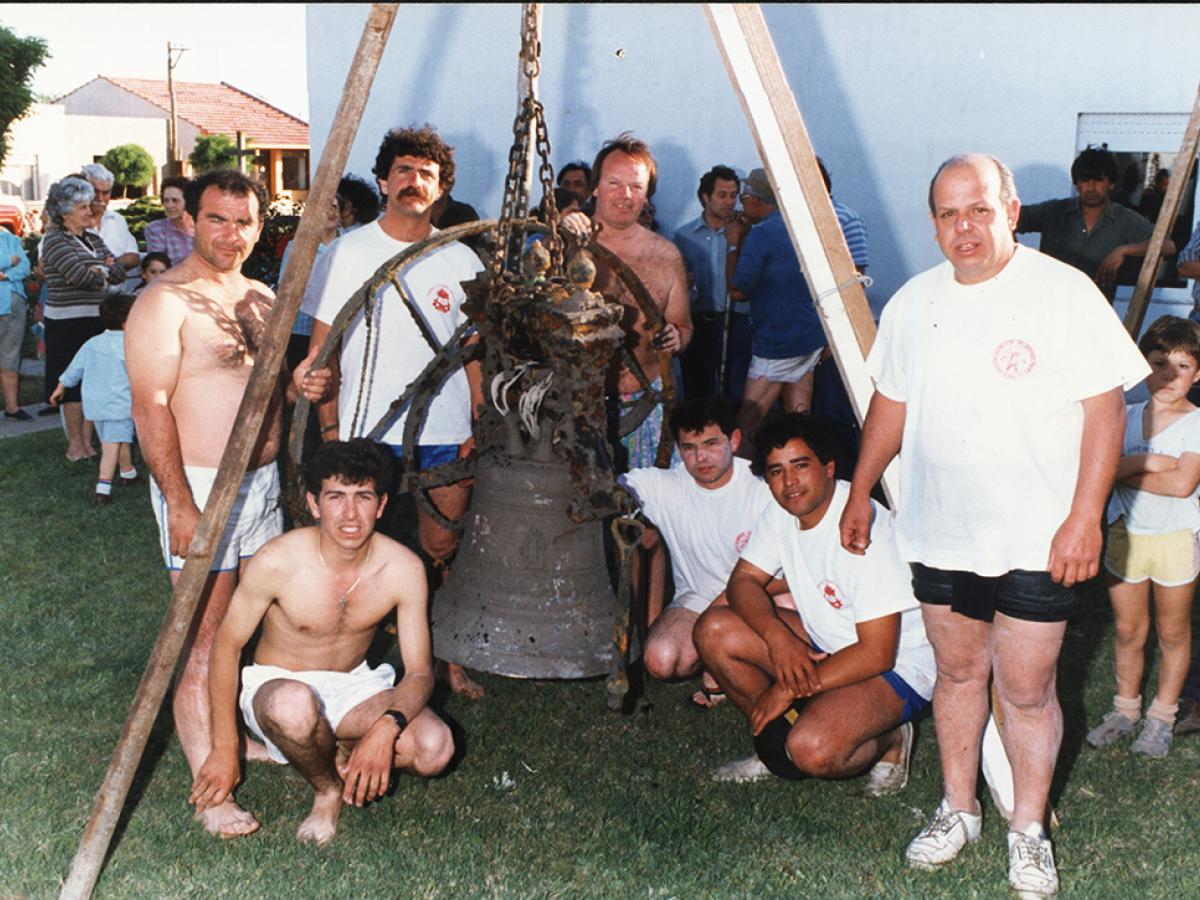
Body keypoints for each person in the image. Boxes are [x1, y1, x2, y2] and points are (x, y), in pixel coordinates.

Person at [840, 154, 1149, 897]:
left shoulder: (1064, 293)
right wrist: (858, 490)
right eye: (948, 214)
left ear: (1011, 211)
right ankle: (958, 808)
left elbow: (1104, 412)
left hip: (1038, 537)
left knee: (1026, 688)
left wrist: (1084, 519)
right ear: (935, 223)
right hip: (941, 529)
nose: (964, 227)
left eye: (978, 209)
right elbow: (892, 404)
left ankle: (1028, 830)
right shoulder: (915, 302)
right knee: (956, 674)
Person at [126, 168, 332, 838]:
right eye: (217, 219)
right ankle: (209, 789)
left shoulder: (262, 297)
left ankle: (233, 735)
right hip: (202, 484)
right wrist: (181, 504)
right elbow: (150, 407)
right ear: (192, 220)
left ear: (259, 225)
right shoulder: (165, 302)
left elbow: (269, 391)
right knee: (202, 636)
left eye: (244, 222)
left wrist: (303, 383)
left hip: (263, 486)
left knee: (246, 625)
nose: (231, 234)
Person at [189, 439, 454, 845]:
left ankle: (337, 748)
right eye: (336, 497)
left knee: (435, 748)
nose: (350, 514)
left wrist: (386, 729)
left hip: (354, 685)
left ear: (381, 505)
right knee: (293, 705)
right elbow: (226, 646)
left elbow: (419, 672)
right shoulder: (277, 560)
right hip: (277, 687)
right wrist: (225, 747)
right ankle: (327, 788)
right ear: (314, 504)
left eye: (363, 497)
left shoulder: (403, 568)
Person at [303, 126, 485, 699]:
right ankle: (342, 661)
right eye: (403, 171)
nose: (413, 182)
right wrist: (331, 431)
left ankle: (444, 657)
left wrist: (477, 416)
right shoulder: (346, 253)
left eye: (426, 174)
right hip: (364, 434)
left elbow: (473, 348)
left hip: (444, 429)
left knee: (442, 549)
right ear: (384, 180)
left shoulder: (459, 256)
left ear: (442, 188)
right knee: (351, 550)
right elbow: (321, 353)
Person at [695, 413, 934, 790]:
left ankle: (890, 739)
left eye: (800, 466)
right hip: (827, 643)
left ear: (828, 468)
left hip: (896, 665)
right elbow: (743, 581)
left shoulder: (860, 527)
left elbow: (877, 653)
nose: (789, 482)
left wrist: (788, 687)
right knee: (714, 629)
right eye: (775, 471)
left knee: (812, 750)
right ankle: (772, 742)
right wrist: (777, 636)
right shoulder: (782, 512)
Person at [1085, 316, 1200, 758]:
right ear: (1142, 366)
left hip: (1174, 539)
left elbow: (1182, 486)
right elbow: (1105, 472)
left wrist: (1126, 468)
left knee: (1173, 632)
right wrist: (1146, 464)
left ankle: (1162, 716)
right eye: (1159, 364)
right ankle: (1125, 709)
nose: (1170, 377)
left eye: (1182, 367)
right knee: (1130, 629)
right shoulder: (1124, 417)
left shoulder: (1195, 422)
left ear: (1197, 373)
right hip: (1125, 537)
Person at [618, 396, 774, 706]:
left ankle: (729, 667)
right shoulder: (665, 485)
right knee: (661, 659)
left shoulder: (761, 487)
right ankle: (722, 659)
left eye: (712, 443)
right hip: (699, 600)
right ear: (678, 450)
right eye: (689, 448)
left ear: (735, 440)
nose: (701, 457)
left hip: (762, 596)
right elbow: (607, 489)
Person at [563, 133, 691, 470]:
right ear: (595, 187)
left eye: (635, 186)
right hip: (574, 408)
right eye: (614, 183)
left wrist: (677, 336)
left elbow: (684, 325)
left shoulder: (667, 256)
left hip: (646, 407)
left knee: (645, 512)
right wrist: (560, 233)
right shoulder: (566, 243)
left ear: (647, 193)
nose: (625, 195)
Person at [726, 168, 827, 457]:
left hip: (778, 342)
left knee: (747, 421)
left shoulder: (762, 234)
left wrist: (734, 243)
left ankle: (737, 484)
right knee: (799, 419)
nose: (741, 206)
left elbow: (738, 290)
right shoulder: (803, 227)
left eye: (744, 198)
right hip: (809, 338)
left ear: (756, 200)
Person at [1017, 147, 1175, 302]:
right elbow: (1007, 219)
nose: (1091, 187)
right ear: (1077, 185)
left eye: (1099, 180)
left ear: (1111, 184)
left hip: (1096, 314)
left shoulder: (1124, 219)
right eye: (1085, 180)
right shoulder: (1054, 212)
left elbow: (1168, 246)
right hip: (1049, 308)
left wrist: (1124, 250)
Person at [41, 176, 126, 461]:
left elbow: (119, 272)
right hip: (66, 324)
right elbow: (79, 277)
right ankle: (75, 446)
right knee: (71, 384)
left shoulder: (92, 239)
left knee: (93, 381)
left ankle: (89, 445)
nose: (91, 211)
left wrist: (100, 270)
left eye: (90, 205)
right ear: (65, 213)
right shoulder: (54, 241)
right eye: (83, 208)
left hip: (95, 321)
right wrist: (104, 270)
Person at [49, 293, 139, 503]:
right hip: (119, 403)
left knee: (118, 438)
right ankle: (103, 487)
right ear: (129, 320)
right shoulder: (131, 344)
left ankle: (128, 473)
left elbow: (75, 368)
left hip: (95, 405)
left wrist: (61, 386)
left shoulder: (93, 343)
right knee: (111, 445)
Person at [673, 165, 744, 402]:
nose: (729, 202)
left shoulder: (744, 232)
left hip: (734, 321)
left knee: (734, 388)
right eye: (722, 195)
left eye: (734, 195)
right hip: (698, 320)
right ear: (706, 197)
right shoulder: (684, 236)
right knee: (697, 388)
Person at [81, 163, 141, 291]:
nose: (100, 198)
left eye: (106, 192)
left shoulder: (117, 220)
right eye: (95, 192)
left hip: (115, 302)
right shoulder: (69, 222)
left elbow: (134, 257)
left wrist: (107, 265)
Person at [0, 224, 32, 420]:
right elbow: (14, 261)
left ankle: (12, 407)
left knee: (10, 355)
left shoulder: (9, 238)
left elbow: (25, 266)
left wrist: (5, 275)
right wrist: (7, 260)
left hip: (13, 304)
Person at [144, 175, 194, 266]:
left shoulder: (201, 228)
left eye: (175, 200)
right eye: (166, 200)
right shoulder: (156, 229)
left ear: (189, 201)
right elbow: (158, 267)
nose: (169, 205)